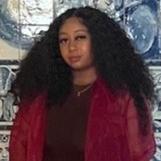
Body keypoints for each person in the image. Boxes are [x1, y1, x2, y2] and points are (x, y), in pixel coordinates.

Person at [9, 6, 156, 161]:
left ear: (99, 41)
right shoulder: (39, 97)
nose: (71, 47)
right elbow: (18, 149)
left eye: (80, 37)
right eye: (64, 40)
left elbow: (140, 154)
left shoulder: (125, 98)